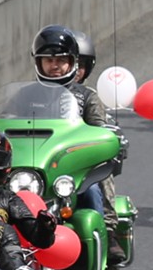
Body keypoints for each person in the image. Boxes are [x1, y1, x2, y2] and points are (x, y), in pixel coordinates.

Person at [32, 24, 124, 223]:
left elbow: (101, 133)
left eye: (61, 60)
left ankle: (107, 223)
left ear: (72, 62)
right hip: (36, 165)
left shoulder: (87, 96)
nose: (54, 66)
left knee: (92, 187)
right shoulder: (26, 95)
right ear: (39, 63)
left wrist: (104, 138)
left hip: (75, 165)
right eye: (48, 60)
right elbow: (3, 124)